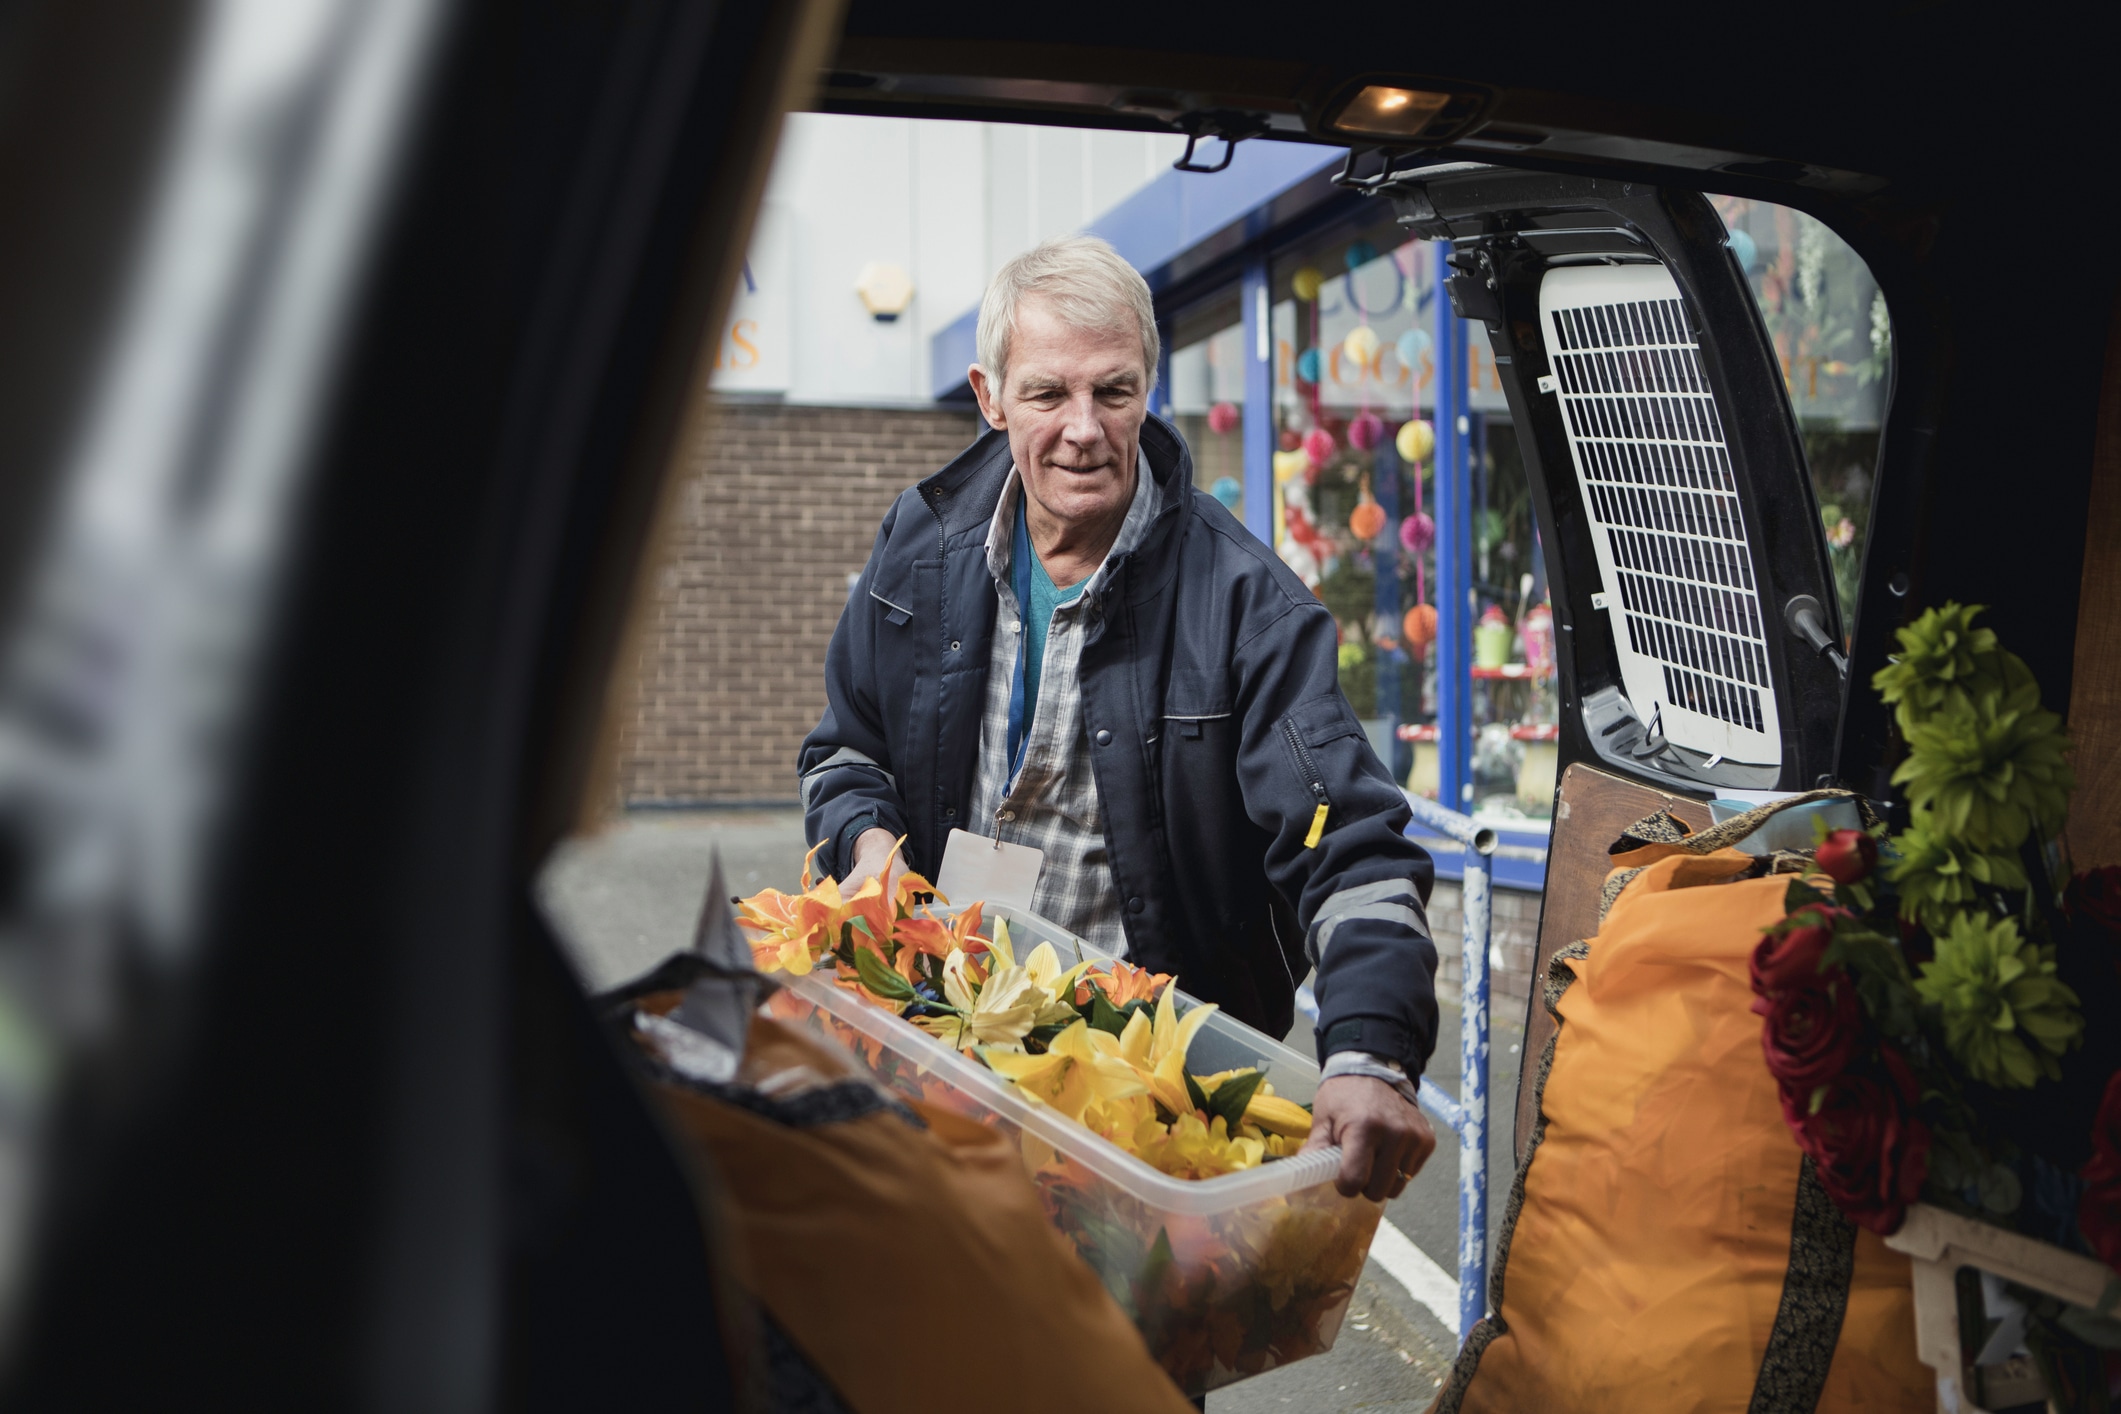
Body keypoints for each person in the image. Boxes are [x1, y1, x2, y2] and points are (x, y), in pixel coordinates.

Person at [800, 236, 1438, 1200]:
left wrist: (1368, 1053)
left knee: (1098, 1349)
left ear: (1150, 388)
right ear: (989, 396)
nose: (1083, 430)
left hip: (1143, 1102)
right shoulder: (918, 544)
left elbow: (1349, 846)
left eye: (1114, 391)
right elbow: (843, 750)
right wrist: (867, 847)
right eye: (1046, 394)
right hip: (936, 1038)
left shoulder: (1246, 605)